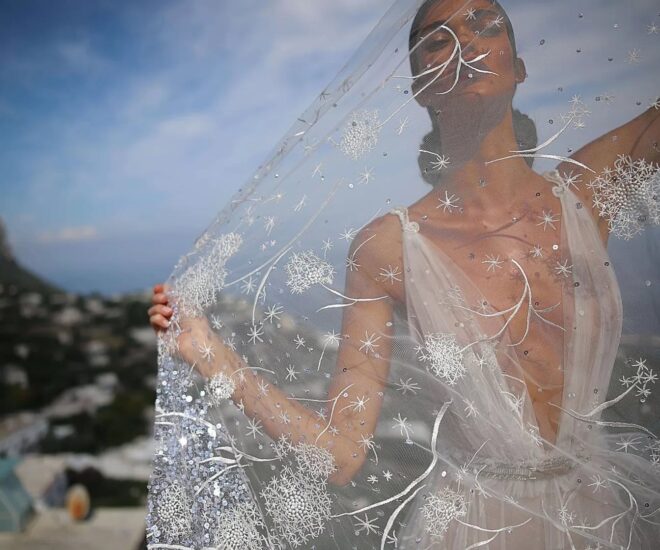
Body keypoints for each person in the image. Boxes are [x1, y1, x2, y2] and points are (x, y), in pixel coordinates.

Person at [146, 1, 660, 548]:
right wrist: (209, 353)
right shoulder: (387, 248)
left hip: (600, 519)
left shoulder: (589, 192)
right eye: (437, 41)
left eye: (485, 26)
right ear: (419, 89)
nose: (464, 43)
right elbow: (342, 455)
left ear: (519, 67)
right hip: (471, 528)